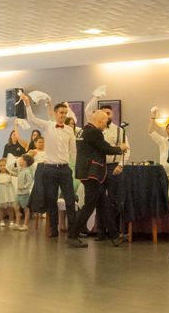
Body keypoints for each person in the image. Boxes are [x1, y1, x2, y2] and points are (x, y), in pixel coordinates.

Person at [67, 109, 129, 248]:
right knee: (89, 206)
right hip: (92, 173)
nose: (105, 126)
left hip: (87, 172)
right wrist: (120, 148)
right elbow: (105, 148)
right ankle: (72, 235)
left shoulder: (83, 131)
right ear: (100, 121)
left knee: (103, 204)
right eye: (105, 123)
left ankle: (114, 236)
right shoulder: (94, 132)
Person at [20, 93, 77, 239]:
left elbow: (73, 151)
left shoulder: (70, 130)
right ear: (55, 113)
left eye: (65, 113)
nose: (63, 115)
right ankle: (53, 230)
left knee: (70, 200)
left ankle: (73, 232)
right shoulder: (48, 126)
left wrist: (74, 167)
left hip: (64, 169)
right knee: (51, 200)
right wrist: (27, 104)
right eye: (61, 113)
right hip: (50, 169)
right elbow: (32, 119)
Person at [95, 103, 129, 240]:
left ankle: (114, 231)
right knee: (99, 199)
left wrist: (121, 165)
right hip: (99, 167)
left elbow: (127, 149)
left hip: (114, 167)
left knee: (114, 200)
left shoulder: (120, 131)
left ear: (112, 114)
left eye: (108, 113)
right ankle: (101, 232)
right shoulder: (96, 131)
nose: (106, 116)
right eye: (103, 113)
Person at [10, 154, 35, 231]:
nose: (19, 161)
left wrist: (24, 187)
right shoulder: (20, 169)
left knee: (25, 208)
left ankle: (25, 224)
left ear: (25, 162)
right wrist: (14, 162)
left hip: (24, 193)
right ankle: (17, 223)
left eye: (21, 159)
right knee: (16, 206)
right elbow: (11, 168)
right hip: (18, 192)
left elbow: (29, 181)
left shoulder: (27, 171)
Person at [0, 158, 19, 228]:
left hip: (9, 192)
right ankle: (1, 220)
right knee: (1, 208)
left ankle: (11, 220)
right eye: (1, 166)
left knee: (10, 207)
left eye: (4, 165)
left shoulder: (9, 174)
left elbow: (17, 174)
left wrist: (10, 171)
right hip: (1, 193)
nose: (3, 167)